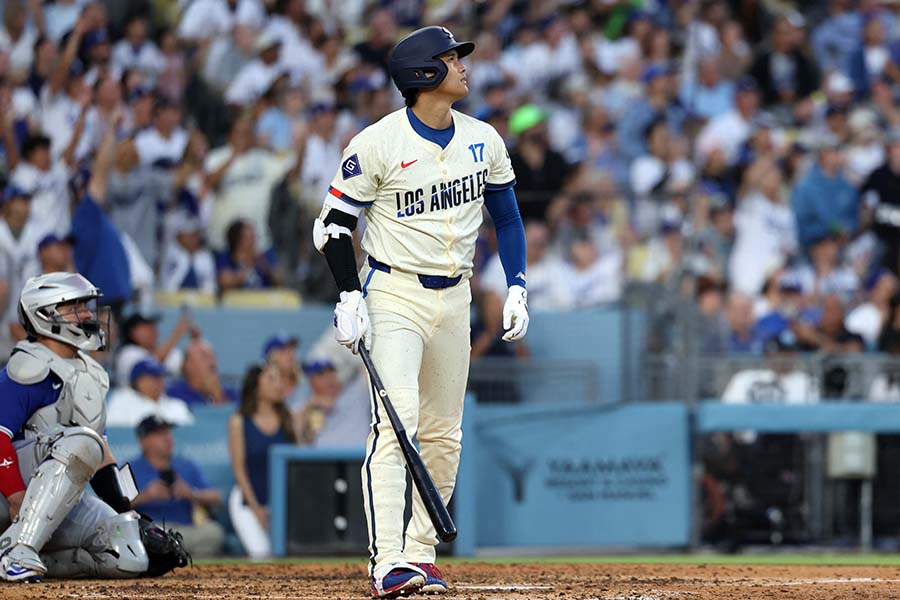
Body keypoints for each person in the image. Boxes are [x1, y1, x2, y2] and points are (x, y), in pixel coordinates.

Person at [314, 27, 529, 597]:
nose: (462, 65)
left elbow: (507, 219)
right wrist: (348, 293)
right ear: (423, 73)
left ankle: (420, 553)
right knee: (396, 422)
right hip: (393, 291)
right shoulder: (376, 142)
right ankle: (388, 560)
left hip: (455, 294)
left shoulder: (484, 138)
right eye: (451, 58)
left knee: (443, 432)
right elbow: (333, 226)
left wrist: (517, 285)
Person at [0, 272, 187, 581]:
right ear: (45, 314)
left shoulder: (90, 373)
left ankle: (23, 552)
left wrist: (130, 514)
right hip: (8, 493)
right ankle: (17, 547)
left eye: (86, 306)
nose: (88, 314)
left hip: (49, 503)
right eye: (75, 307)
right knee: (83, 441)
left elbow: (102, 456)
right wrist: (16, 495)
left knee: (129, 556)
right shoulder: (26, 368)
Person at [129, 416, 224, 558]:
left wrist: (191, 493)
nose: (167, 438)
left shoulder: (186, 465)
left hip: (186, 530)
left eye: (168, 433)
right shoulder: (131, 468)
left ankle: (174, 551)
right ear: (143, 441)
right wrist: (147, 495)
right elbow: (115, 507)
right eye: (160, 434)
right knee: (145, 536)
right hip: (153, 529)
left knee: (214, 532)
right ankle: (175, 552)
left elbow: (217, 497)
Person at [227, 363, 296, 559]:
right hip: (248, 502)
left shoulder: (286, 419)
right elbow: (239, 469)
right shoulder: (239, 421)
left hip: (281, 503)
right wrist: (257, 509)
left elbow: (296, 461)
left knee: (287, 556)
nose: (278, 385)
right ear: (256, 386)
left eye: (279, 379)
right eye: (271, 379)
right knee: (261, 555)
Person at [106, 359, 194, 426]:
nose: (158, 381)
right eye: (153, 377)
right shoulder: (122, 401)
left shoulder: (177, 405)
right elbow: (114, 432)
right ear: (138, 381)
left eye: (160, 376)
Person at [166, 338, 238, 408]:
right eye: (204, 356)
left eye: (213, 356)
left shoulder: (231, 393)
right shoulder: (174, 395)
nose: (212, 362)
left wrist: (219, 396)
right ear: (188, 365)